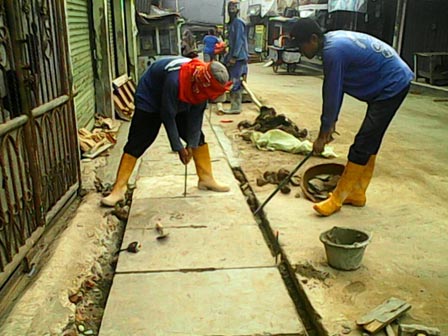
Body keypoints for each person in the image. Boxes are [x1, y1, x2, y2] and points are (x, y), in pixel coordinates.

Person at [289, 18, 413, 216]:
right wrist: (331, 123)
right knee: (371, 139)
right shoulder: (332, 43)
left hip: (392, 84)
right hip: (386, 82)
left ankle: (338, 198)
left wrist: (323, 134)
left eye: (301, 45)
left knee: (363, 142)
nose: (301, 51)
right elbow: (336, 90)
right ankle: (358, 192)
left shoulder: (333, 51)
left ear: (313, 38)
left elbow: (331, 92)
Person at [101, 57, 232, 207]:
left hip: (183, 96)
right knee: (139, 140)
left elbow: (195, 119)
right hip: (151, 97)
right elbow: (167, 115)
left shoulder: (201, 86)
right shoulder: (175, 80)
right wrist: (178, 147)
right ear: (203, 83)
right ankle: (118, 189)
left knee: (197, 138)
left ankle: (206, 179)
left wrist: (191, 144)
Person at [223, 0, 249, 114]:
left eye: (234, 8)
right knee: (233, 81)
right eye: (230, 8)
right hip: (234, 56)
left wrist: (234, 56)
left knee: (235, 81)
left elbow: (239, 41)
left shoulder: (238, 23)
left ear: (237, 10)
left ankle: (236, 107)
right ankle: (235, 106)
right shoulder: (232, 24)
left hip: (238, 58)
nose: (231, 10)